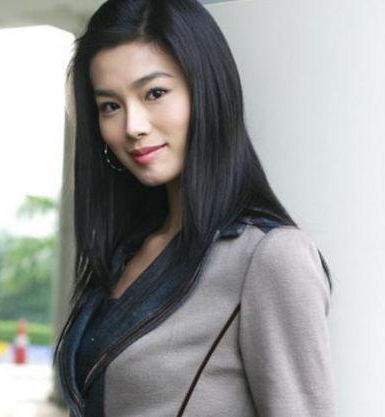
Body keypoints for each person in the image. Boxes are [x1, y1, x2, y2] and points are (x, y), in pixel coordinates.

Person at [53, 0, 337, 416]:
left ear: (206, 91)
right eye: (110, 105)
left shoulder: (269, 257)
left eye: (154, 93)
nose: (133, 126)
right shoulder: (126, 251)